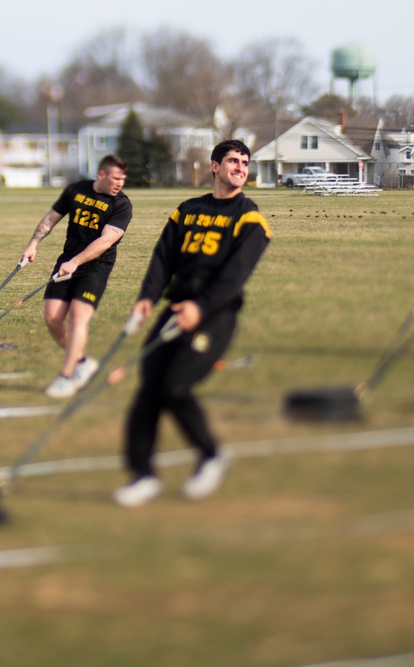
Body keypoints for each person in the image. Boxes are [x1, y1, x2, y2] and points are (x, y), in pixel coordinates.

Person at [113, 139, 271, 507]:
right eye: (233, 161)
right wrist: (146, 298)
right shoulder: (187, 210)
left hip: (214, 316)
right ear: (214, 166)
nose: (240, 167)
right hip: (174, 310)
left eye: (245, 162)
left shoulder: (250, 219)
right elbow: (162, 258)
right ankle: (143, 475)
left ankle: (211, 455)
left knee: (176, 386)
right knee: (148, 390)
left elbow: (235, 275)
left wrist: (201, 308)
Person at [21, 155, 132, 398]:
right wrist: (33, 244)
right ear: (101, 174)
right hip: (67, 260)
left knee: (78, 317)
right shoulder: (76, 190)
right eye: (115, 178)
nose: (119, 184)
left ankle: (66, 376)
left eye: (123, 179)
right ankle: (82, 362)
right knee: (52, 318)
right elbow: (51, 219)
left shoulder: (122, 205)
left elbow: (106, 241)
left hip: (95, 265)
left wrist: (76, 262)